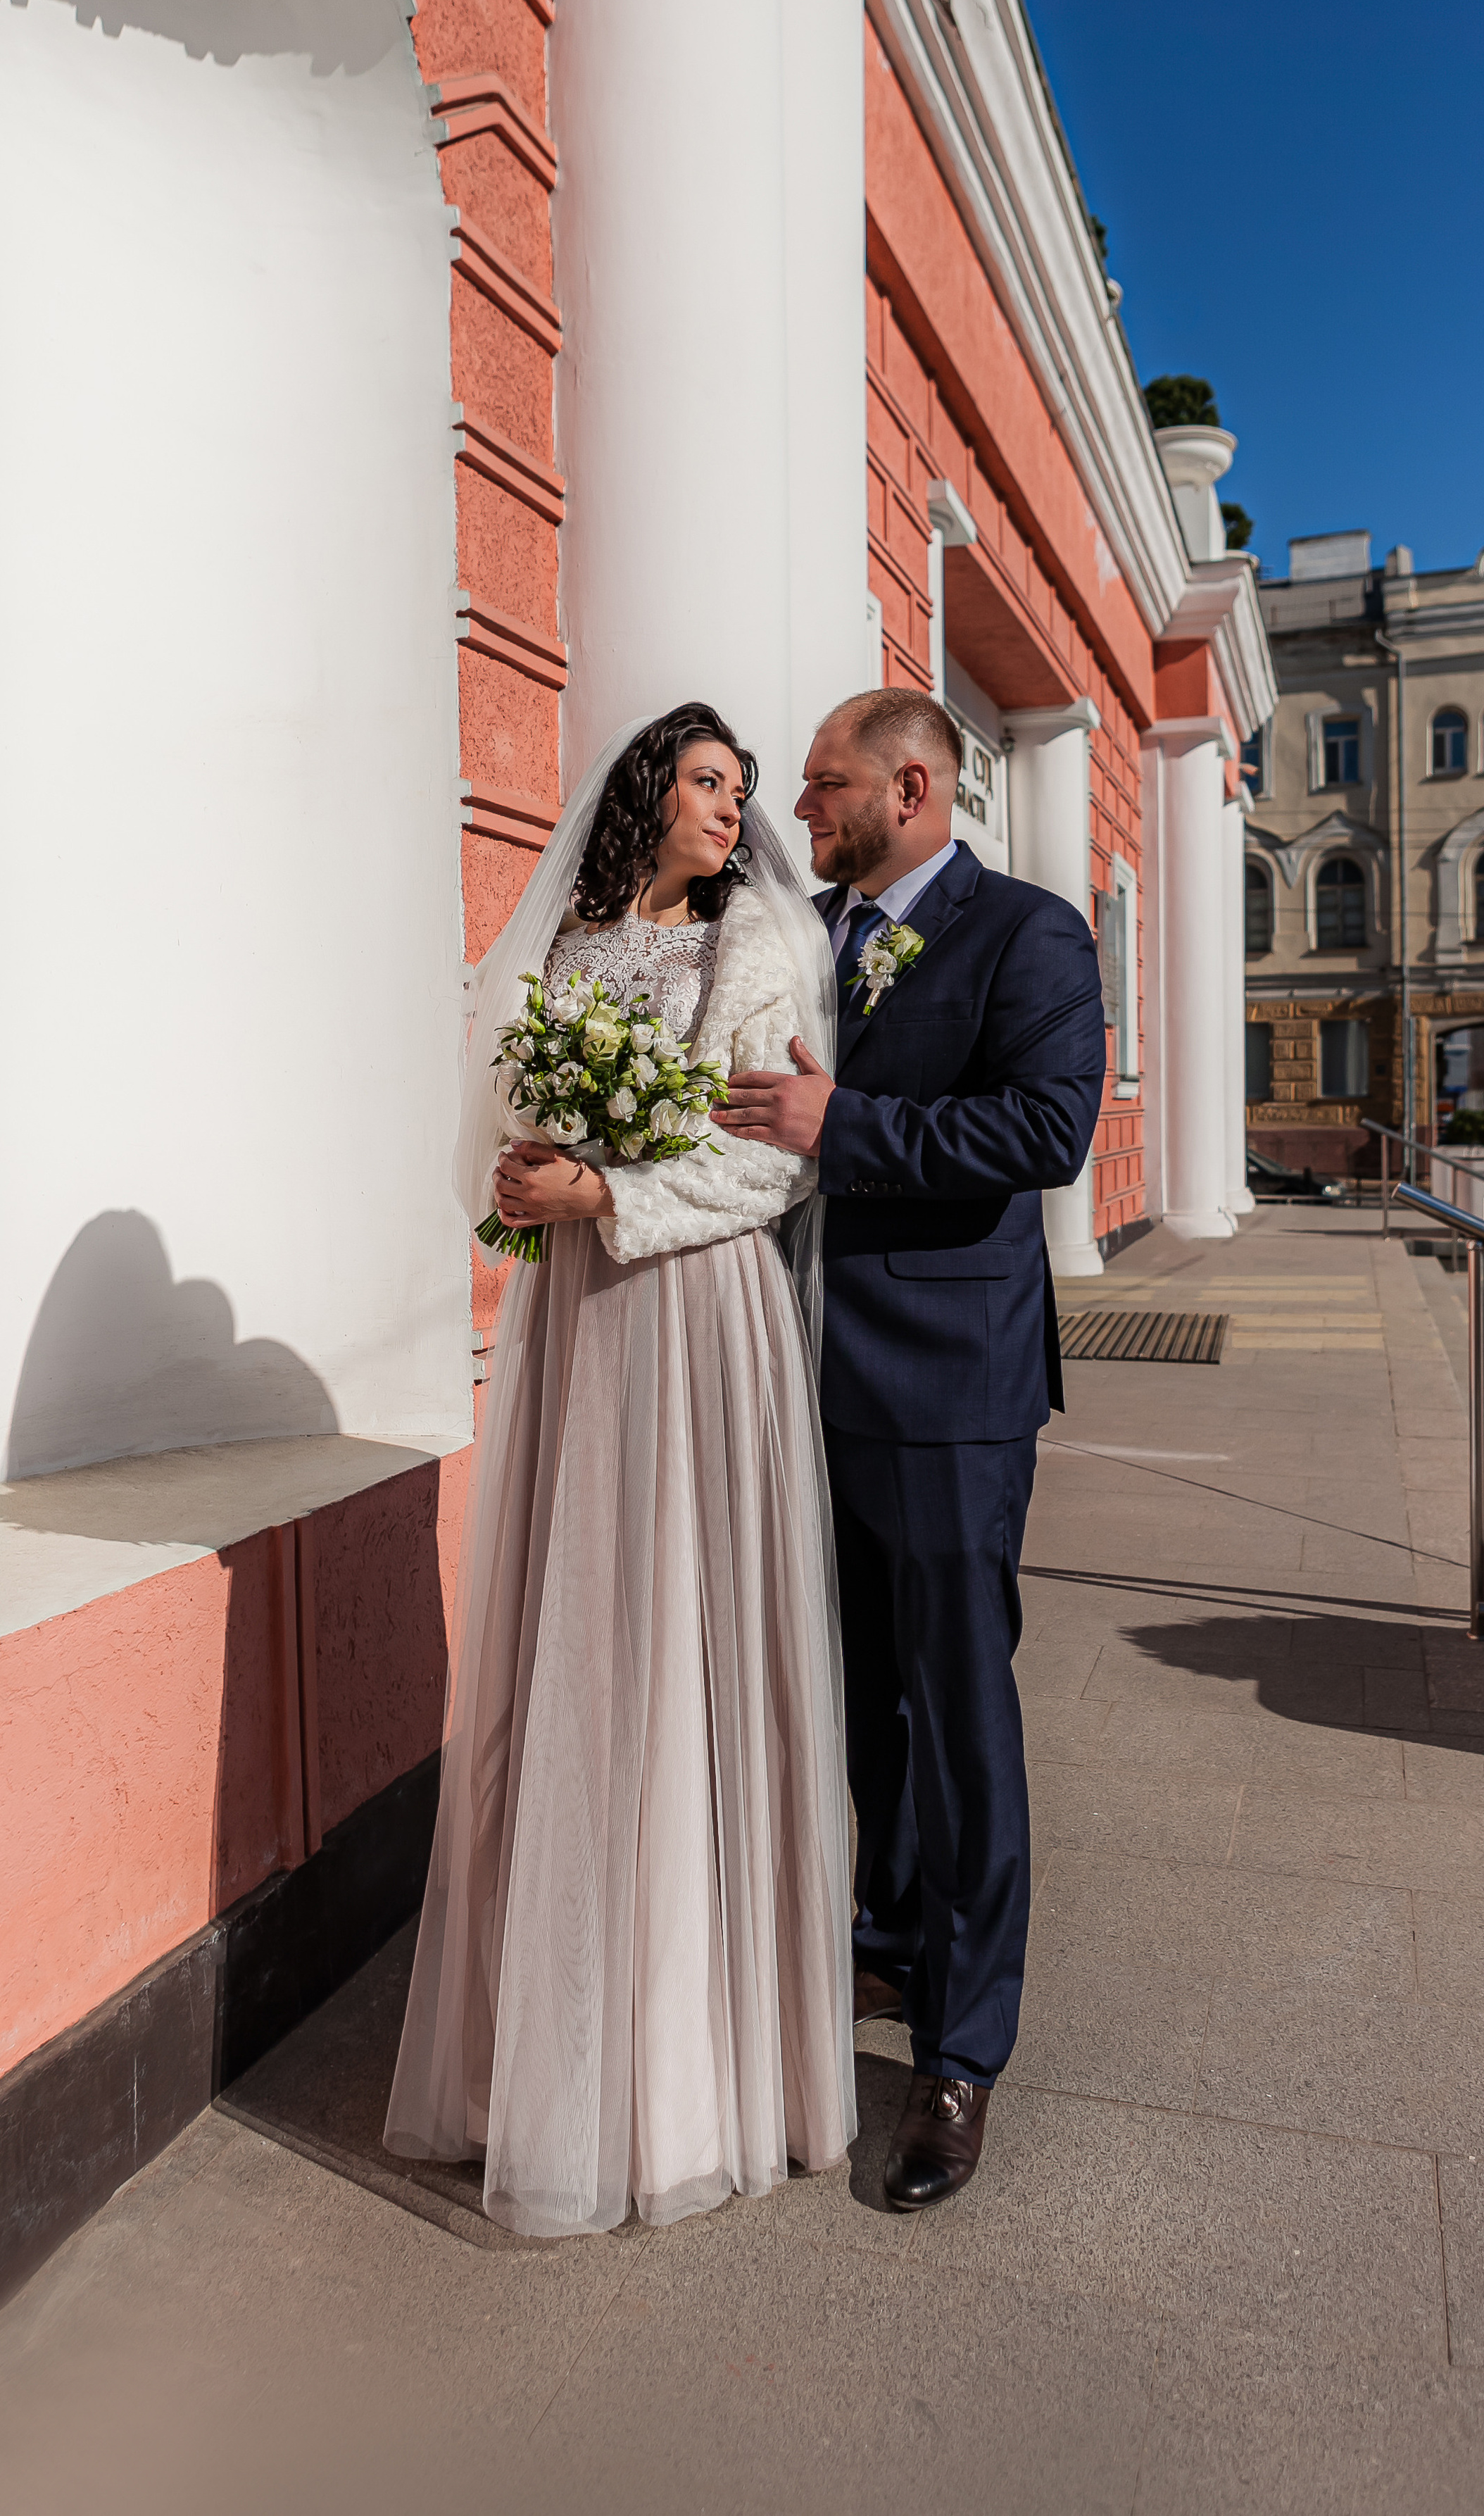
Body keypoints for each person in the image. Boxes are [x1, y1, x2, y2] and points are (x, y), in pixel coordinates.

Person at [384, 705, 856, 2237]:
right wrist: (532, 1171)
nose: (735, 809)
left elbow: (770, 1158)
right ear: (647, 791)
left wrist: (610, 1187)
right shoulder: (570, 938)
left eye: (742, 788)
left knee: (678, 1638)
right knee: (565, 1647)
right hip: (573, 1319)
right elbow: (502, 1109)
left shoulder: (760, 946)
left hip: (692, 1310)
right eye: (708, 783)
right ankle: (530, 2063)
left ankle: (682, 2080)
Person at [717, 685, 1106, 2210]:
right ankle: (877, 1951)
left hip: (950, 1387)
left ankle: (959, 2051)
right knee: (853, 1699)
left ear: (914, 788)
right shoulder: (804, 933)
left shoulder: (1028, 935)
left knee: (954, 1717)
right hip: (799, 1376)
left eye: (822, 787)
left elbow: (1043, 1133)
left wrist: (844, 1130)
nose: (797, 810)